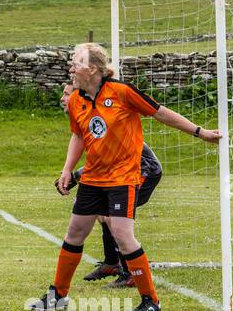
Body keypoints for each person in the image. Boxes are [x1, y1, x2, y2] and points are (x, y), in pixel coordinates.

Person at [29, 43, 220, 311]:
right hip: (93, 178)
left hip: (122, 178)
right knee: (75, 233)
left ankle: (150, 300)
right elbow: (79, 136)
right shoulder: (75, 100)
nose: (71, 67)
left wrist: (199, 132)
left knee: (123, 236)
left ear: (92, 69)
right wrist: (66, 170)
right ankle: (58, 295)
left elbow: (160, 112)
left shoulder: (121, 92)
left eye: (76, 62)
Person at [59, 85, 165, 287]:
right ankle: (112, 262)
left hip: (144, 170)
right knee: (100, 212)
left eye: (66, 93)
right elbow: (99, 161)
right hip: (117, 173)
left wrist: (73, 176)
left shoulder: (101, 110)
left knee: (111, 217)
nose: (63, 97)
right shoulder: (85, 113)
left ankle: (130, 273)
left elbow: (109, 159)